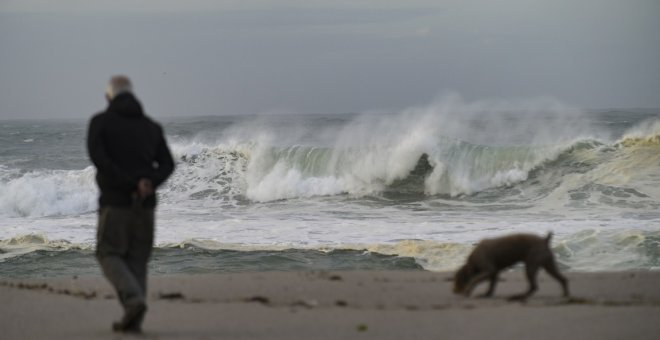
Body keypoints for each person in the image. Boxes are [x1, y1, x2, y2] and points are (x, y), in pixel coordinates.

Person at [87, 75, 175, 333]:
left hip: (116, 203)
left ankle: (134, 302)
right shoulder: (151, 127)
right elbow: (168, 164)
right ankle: (133, 321)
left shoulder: (100, 123)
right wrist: (148, 183)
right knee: (137, 259)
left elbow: (100, 159)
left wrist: (128, 183)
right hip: (146, 206)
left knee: (108, 253)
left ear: (108, 96)